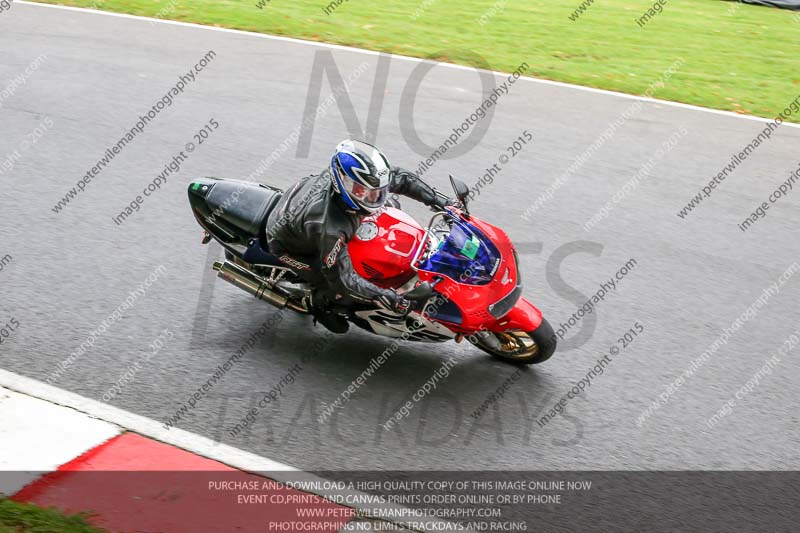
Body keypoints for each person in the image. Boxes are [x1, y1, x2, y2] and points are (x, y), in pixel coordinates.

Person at [265, 139, 453, 334]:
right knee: (336, 289)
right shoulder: (330, 228)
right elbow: (342, 279)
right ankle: (318, 303)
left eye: (378, 190)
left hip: (300, 205)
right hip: (285, 244)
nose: (375, 197)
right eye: (366, 192)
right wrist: (384, 296)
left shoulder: (363, 181)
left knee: (391, 210)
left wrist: (441, 201)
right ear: (343, 184)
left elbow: (403, 179)